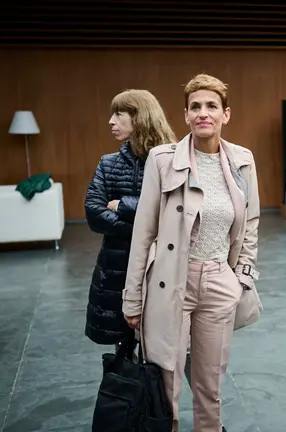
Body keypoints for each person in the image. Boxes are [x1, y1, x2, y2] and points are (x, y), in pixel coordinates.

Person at [122, 73, 261, 432]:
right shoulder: (162, 159)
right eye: (195, 106)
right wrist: (133, 297)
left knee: (210, 384)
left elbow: (251, 223)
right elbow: (144, 233)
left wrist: (241, 276)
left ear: (225, 114)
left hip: (219, 281)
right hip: (171, 281)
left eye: (211, 106)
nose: (204, 113)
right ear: (185, 115)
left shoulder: (242, 160)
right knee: (166, 383)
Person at [85, 89, 176, 347]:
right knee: (122, 352)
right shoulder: (108, 163)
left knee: (162, 349)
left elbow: (174, 210)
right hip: (117, 269)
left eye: (118, 114)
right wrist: (148, 224)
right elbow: (94, 214)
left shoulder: (172, 160)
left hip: (161, 266)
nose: (110, 121)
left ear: (139, 117)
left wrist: (123, 205)